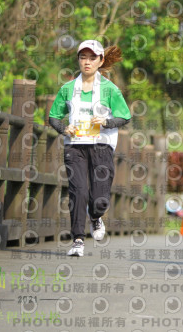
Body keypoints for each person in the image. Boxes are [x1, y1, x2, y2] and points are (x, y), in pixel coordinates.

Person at [48, 40, 131, 257]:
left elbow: (125, 116)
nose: (87, 62)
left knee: (99, 198)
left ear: (101, 60)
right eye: (83, 57)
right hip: (74, 146)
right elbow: (53, 117)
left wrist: (106, 122)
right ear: (78, 59)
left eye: (92, 58)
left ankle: (96, 217)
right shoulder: (67, 89)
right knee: (78, 191)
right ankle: (77, 239)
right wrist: (63, 128)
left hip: (101, 145)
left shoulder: (109, 89)